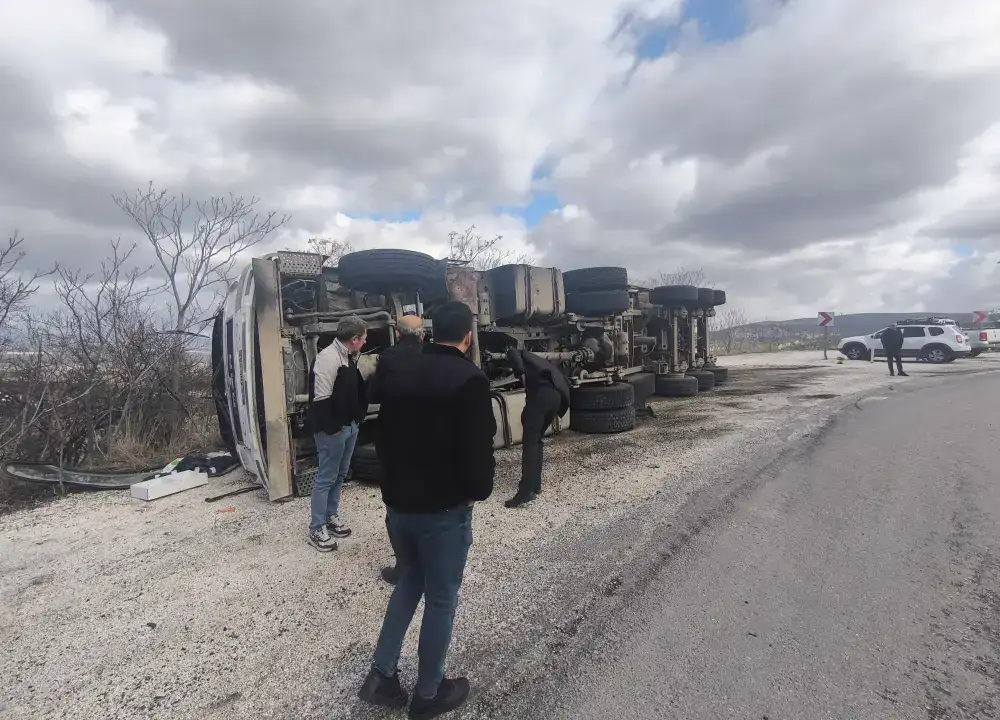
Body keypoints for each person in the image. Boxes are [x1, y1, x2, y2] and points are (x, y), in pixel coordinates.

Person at [359, 301, 496, 719]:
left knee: (409, 582)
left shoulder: (399, 370)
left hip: (399, 507)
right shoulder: (470, 380)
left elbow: (382, 435)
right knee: (441, 600)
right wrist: (478, 491)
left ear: (431, 333)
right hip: (443, 512)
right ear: (468, 336)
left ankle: (381, 675)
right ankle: (428, 694)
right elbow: (477, 450)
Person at [367, 314, 426, 586]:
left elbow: (375, 395)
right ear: (422, 335)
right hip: (426, 436)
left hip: (394, 438)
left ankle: (404, 565)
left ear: (398, 334)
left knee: (395, 501)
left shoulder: (388, 358)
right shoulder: (431, 355)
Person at [306, 316, 368, 552]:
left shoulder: (347, 357)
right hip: (334, 430)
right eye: (363, 339)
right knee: (326, 477)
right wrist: (333, 429)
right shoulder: (328, 358)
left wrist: (356, 420)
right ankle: (316, 527)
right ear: (354, 339)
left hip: (349, 426)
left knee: (340, 474)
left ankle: (331, 516)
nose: (364, 342)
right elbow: (321, 399)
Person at [503, 347, 570, 508]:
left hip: (544, 393)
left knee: (530, 443)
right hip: (558, 396)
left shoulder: (520, 353)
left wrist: (521, 373)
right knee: (537, 440)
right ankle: (535, 485)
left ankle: (525, 492)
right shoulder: (539, 363)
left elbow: (512, 352)